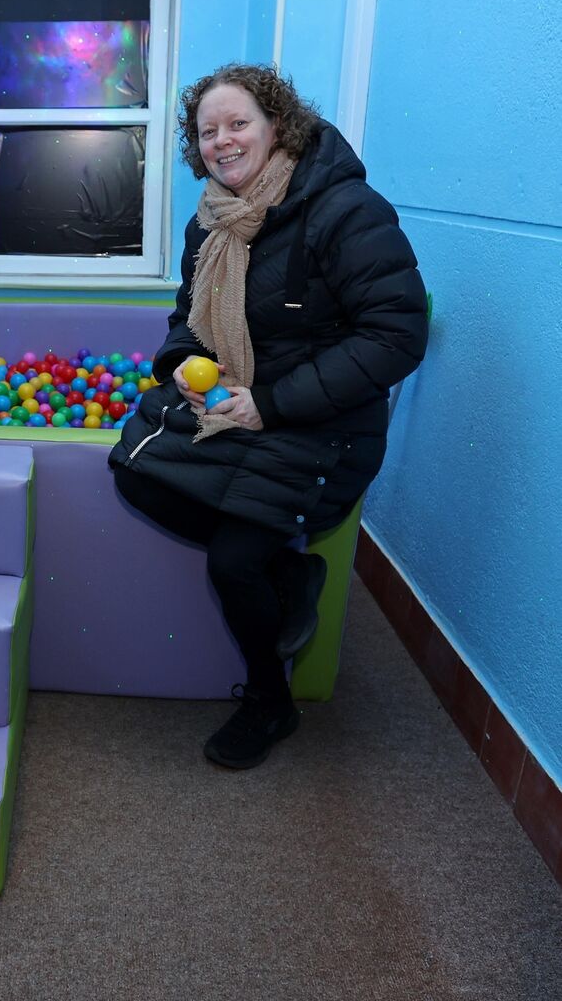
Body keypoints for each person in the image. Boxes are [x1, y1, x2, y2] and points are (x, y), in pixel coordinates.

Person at [109, 63, 427, 771]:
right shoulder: (211, 222)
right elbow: (187, 322)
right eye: (207, 132)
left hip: (325, 428)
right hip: (238, 406)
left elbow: (396, 335)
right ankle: (290, 573)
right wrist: (181, 366)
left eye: (237, 124)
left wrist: (272, 404)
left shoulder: (344, 210)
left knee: (233, 561)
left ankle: (268, 701)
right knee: (132, 468)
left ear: (277, 125)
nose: (221, 142)